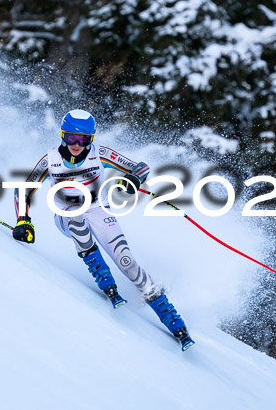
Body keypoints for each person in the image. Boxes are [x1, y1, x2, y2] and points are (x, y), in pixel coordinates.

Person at [12, 109, 194, 350]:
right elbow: (24, 188)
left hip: (99, 209)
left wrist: (133, 180)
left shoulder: (101, 154)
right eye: (71, 138)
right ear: (62, 136)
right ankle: (102, 276)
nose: (77, 145)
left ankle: (171, 318)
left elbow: (140, 167)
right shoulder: (50, 160)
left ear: (92, 139)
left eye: (84, 139)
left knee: (126, 261)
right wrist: (24, 220)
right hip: (67, 213)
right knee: (76, 219)